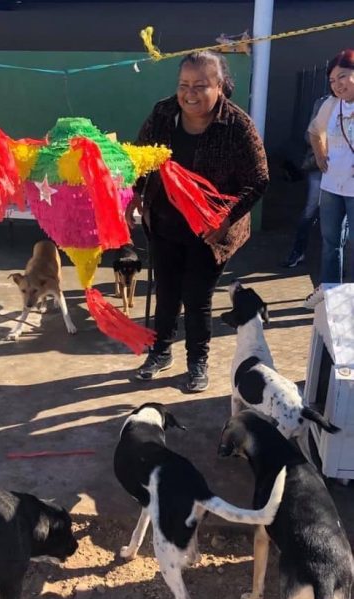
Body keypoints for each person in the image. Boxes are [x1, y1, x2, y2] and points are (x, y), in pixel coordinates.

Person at [125, 51, 269, 392]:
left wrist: (225, 219)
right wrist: (134, 192)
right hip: (164, 221)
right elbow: (140, 157)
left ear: (219, 86)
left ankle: (197, 362)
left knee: (197, 296)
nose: (190, 93)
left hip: (210, 231)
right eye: (183, 85)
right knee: (166, 292)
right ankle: (160, 352)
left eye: (201, 85)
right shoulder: (163, 113)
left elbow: (259, 179)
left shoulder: (237, 125)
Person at [304, 48, 354, 309]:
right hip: (333, 185)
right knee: (330, 243)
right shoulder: (331, 105)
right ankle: (333, 298)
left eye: (343, 77)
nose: (338, 85)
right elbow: (314, 131)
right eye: (333, 81)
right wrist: (320, 154)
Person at [282, 95, 328, 268]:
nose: (339, 83)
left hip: (345, 173)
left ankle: (335, 262)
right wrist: (325, 142)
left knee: (341, 219)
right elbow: (309, 135)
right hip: (320, 166)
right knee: (310, 210)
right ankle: (298, 252)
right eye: (333, 79)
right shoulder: (323, 102)